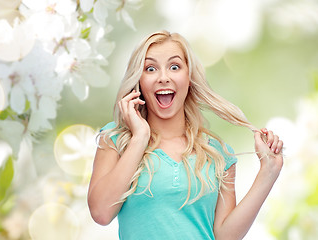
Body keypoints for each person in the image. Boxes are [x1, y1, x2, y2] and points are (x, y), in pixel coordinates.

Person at [87, 30, 283, 240]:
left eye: (174, 67)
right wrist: (139, 138)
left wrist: (268, 173)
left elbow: (225, 236)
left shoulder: (217, 153)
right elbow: (101, 212)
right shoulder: (116, 141)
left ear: (188, 78)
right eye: (150, 68)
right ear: (139, 82)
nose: (163, 77)